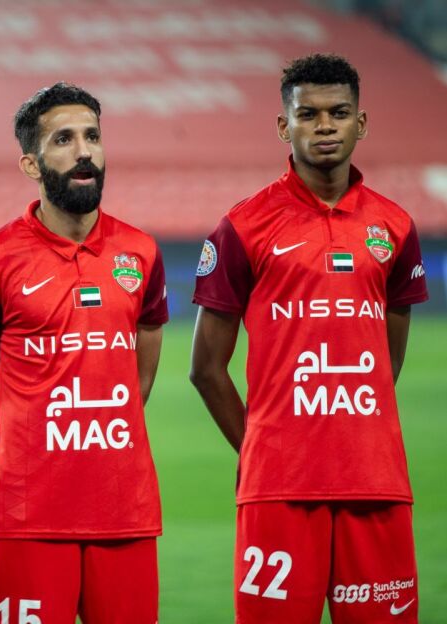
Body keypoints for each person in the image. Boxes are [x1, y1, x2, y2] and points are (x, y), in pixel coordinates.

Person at [190, 53, 428, 623]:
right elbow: (205, 368)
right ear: (284, 125)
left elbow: (387, 360)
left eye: (339, 113)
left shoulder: (395, 226)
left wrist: (350, 430)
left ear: (360, 123)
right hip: (279, 487)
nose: (325, 126)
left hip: (375, 481)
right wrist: (259, 450)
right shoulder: (243, 226)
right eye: (308, 114)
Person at [0, 82, 168, 624]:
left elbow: (138, 376)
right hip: (28, 517)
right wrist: (13, 474)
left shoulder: (141, 252)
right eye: (64, 140)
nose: (84, 151)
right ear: (31, 163)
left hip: (124, 510)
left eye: (92, 136)